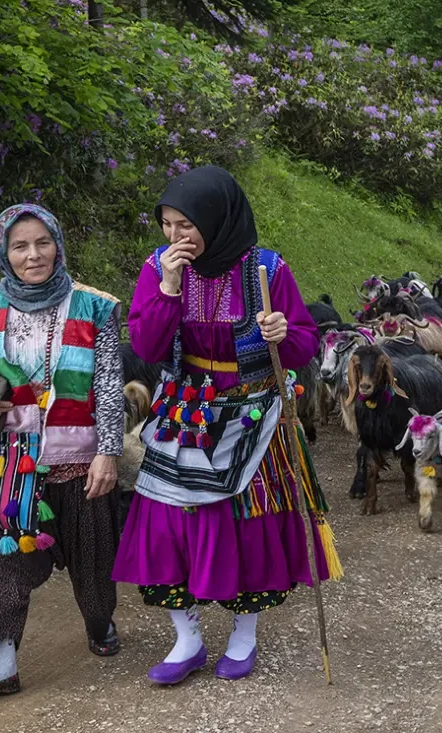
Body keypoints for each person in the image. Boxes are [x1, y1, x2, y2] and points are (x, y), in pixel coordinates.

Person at [113, 166, 340, 685]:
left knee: (247, 525)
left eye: (186, 225)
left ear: (219, 219)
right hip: (185, 412)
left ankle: (244, 636)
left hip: (251, 412)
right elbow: (146, 348)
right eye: (167, 224)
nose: (175, 236)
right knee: (167, 523)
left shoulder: (266, 269)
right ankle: (187, 639)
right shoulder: (159, 269)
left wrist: (284, 332)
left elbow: (305, 342)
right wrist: (168, 289)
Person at [0, 204, 125, 702]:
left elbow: (109, 383)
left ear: (59, 243)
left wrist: (108, 452)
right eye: (19, 246)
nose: (33, 255)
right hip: (6, 460)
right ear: (3, 252)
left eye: (42, 243)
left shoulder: (95, 306)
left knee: (94, 559)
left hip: (79, 454)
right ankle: (0, 666)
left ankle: (98, 621)